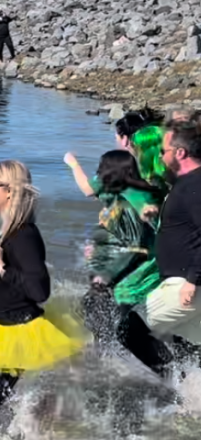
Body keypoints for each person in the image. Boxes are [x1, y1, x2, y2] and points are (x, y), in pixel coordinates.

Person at [0, 161, 84, 423]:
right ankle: (18, 427)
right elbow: (13, 266)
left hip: (14, 335)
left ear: (8, 191)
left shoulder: (24, 234)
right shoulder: (9, 230)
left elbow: (39, 290)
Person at [81, 151, 170, 374]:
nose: (98, 173)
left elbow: (137, 247)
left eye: (101, 169)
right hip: (124, 268)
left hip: (130, 271)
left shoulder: (130, 201)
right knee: (96, 308)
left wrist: (107, 273)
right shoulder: (121, 196)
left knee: (105, 312)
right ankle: (105, 356)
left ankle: (165, 367)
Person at [136, 121, 201, 347]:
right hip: (184, 284)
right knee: (189, 342)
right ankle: (188, 380)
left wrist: (193, 280)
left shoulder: (194, 186)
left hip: (186, 287)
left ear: (180, 153)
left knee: (132, 317)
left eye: (163, 152)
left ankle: (162, 377)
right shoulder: (185, 183)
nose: (161, 157)